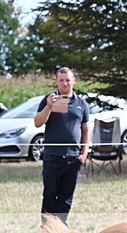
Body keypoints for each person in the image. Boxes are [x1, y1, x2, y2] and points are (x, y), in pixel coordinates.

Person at [34, 67, 91, 224]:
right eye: (61, 80)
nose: (65, 83)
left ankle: (61, 227)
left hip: (73, 158)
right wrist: (48, 106)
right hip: (52, 157)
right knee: (49, 194)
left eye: (67, 80)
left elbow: (86, 130)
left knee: (66, 197)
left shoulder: (82, 104)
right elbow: (38, 123)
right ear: (56, 82)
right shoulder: (48, 99)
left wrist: (83, 154)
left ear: (74, 81)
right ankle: (47, 227)